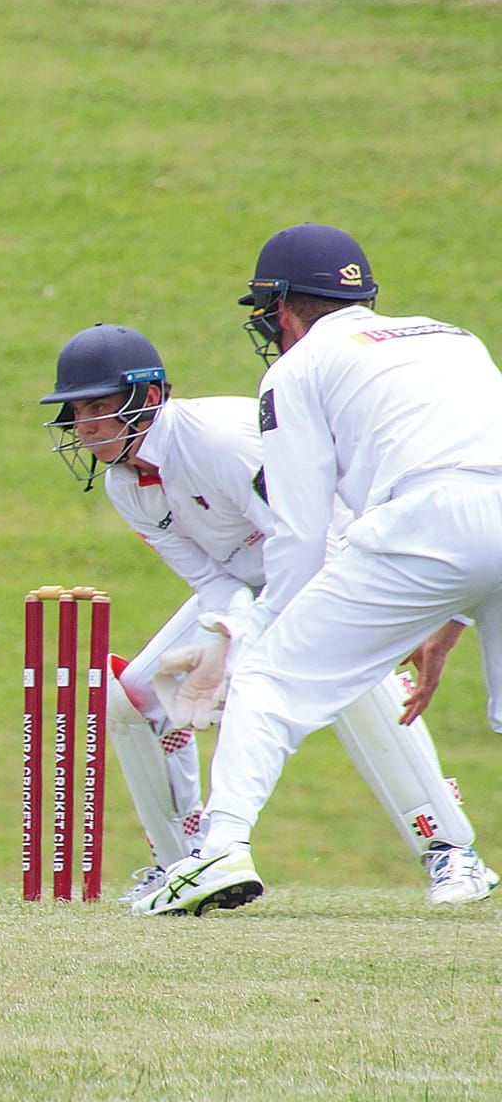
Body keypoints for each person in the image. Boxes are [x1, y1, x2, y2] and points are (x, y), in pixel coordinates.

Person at [40, 322, 498, 909]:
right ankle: (182, 862)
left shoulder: (218, 439)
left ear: (148, 396)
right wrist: (228, 638)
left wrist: (258, 639)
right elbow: (211, 580)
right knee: (130, 699)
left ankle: (451, 852)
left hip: (333, 563)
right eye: (78, 412)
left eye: (99, 407)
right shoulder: (124, 486)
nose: (85, 427)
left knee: (348, 683)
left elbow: (307, 537)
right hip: (247, 591)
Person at [128, 223, 502, 916]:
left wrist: (259, 634)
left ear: (282, 309)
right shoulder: (451, 335)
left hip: (422, 521)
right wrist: (451, 618)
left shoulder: (294, 370)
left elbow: (300, 534)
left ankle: (219, 850)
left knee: (267, 680)